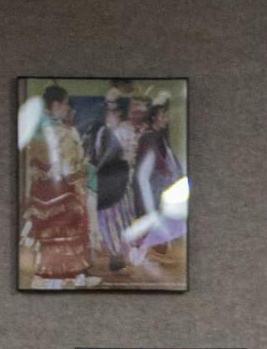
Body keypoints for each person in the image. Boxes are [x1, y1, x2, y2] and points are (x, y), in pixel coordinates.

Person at [23, 85, 91, 287]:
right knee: (66, 245)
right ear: (56, 105)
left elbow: (33, 170)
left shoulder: (36, 134)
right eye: (66, 104)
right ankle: (67, 282)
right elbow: (72, 172)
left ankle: (46, 281)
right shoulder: (67, 133)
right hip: (63, 200)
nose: (68, 108)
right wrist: (82, 190)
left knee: (48, 247)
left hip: (40, 200)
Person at [130, 92, 185, 271]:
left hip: (158, 190)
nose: (167, 118)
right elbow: (142, 175)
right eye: (163, 114)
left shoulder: (158, 137)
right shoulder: (150, 138)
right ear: (155, 116)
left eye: (167, 114)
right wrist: (148, 204)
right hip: (152, 191)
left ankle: (141, 254)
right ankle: (138, 255)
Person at [89, 95, 134, 272]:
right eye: (113, 113)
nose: (117, 116)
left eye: (118, 112)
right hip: (108, 186)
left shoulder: (115, 132)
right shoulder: (102, 133)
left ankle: (117, 257)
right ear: (107, 115)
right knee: (109, 222)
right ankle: (113, 257)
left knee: (117, 221)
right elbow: (100, 159)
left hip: (117, 186)